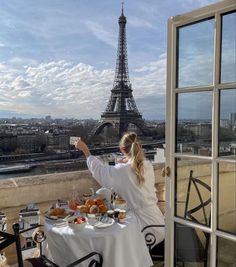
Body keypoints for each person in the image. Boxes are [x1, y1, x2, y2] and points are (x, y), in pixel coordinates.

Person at [74, 132, 165, 245]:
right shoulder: (147, 165)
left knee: (112, 241)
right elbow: (133, 169)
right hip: (159, 224)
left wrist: (85, 150)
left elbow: (99, 171)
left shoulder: (123, 170)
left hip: (144, 230)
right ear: (139, 147)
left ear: (122, 149)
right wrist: (126, 160)